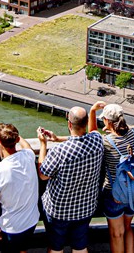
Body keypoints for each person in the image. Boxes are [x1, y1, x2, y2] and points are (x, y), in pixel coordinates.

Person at [37, 107, 104, 253]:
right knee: (80, 248)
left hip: (58, 211)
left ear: (69, 124)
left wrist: (43, 144)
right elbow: (89, 134)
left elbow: (43, 174)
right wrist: (57, 138)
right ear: (86, 123)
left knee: (56, 248)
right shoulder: (97, 141)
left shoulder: (59, 151)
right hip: (85, 208)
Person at [86, 102, 134, 253]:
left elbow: (92, 132)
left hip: (114, 193)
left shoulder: (106, 141)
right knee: (127, 228)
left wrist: (93, 110)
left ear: (107, 121)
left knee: (116, 233)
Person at [0, 123, 40, 253]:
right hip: (31, 221)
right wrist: (18, 137)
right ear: (16, 140)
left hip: (12, 228)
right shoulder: (28, 156)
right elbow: (27, 147)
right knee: (23, 249)